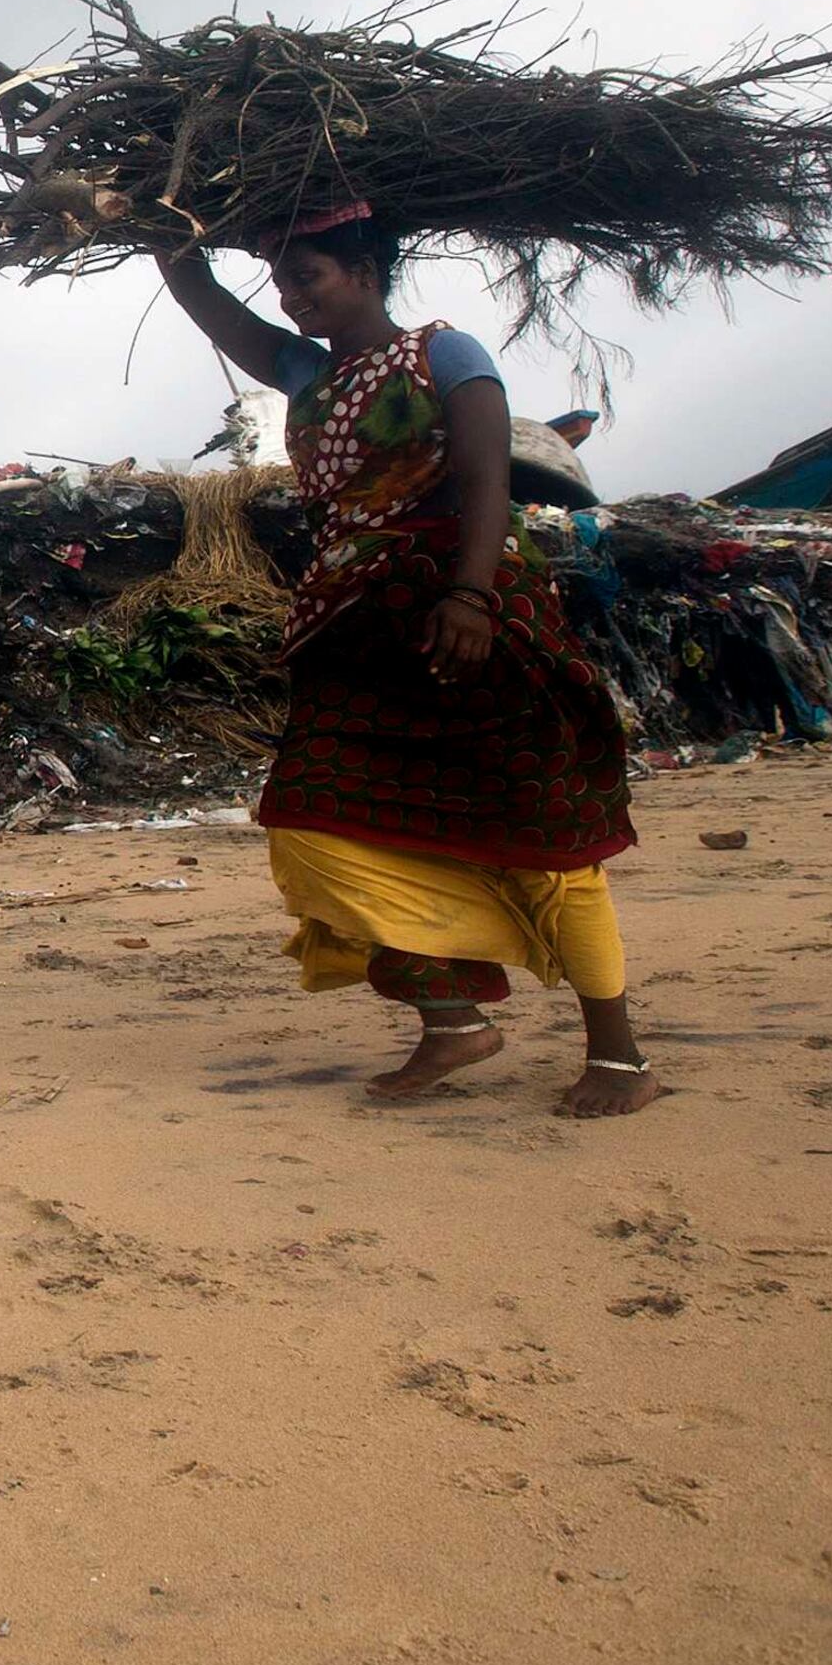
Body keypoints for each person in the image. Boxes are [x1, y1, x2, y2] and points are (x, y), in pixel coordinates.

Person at [158, 208, 657, 1117]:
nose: (291, 296)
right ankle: (451, 1019)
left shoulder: (447, 352)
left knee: (542, 829)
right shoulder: (304, 369)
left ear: (365, 271)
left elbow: (485, 480)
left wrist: (470, 597)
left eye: (309, 276)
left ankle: (618, 1054)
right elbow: (205, 300)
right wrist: (157, 224)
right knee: (311, 821)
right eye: (283, 282)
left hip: (465, 609)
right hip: (350, 624)